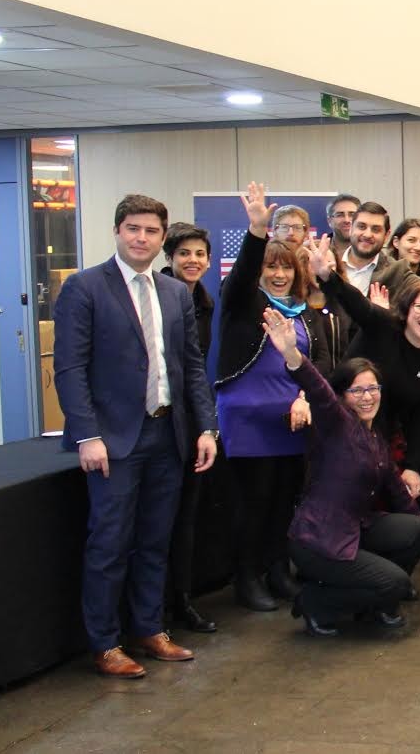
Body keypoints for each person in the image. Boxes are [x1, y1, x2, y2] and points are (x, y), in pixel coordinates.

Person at [55, 194, 219, 679]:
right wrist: (87, 434)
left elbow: (191, 367)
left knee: (155, 539)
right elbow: (69, 368)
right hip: (113, 440)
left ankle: (150, 629)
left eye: (150, 230)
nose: (141, 238)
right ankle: (105, 643)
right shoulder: (84, 288)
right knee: (110, 542)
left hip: (168, 434)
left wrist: (206, 426)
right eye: (133, 229)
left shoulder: (174, 293)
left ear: (161, 237)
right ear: (118, 231)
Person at [264, 310, 420, 637]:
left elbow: (397, 490)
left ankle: (375, 601)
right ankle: (315, 602)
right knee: (396, 583)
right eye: (358, 391)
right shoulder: (337, 423)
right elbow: (317, 388)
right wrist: (292, 354)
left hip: (355, 530)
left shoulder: (376, 438)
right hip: (319, 541)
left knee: (417, 530)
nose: (368, 397)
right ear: (344, 396)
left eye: (373, 389)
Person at [216, 183, 333, 613]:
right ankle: (247, 578)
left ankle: (278, 570)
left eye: (285, 268)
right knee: (255, 502)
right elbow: (244, 273)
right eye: (271, 267)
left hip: (292, 418)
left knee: (286, 498)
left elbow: (314, 360)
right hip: (249, 418)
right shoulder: (243, 304)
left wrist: (305, 395)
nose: (279, 274)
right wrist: (256, 231)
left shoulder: (303, 311)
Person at [307, 235, 420, 515]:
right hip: (339, 425)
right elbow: (356, 303)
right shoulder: (383, 325)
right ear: (406, 310)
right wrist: (327, 274)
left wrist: (412, 468)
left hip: (383, 436)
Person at [158, 223, 219, 634]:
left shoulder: (205, 301)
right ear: (170, 258)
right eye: (184, 253)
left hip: (194, 424)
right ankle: (154, 611)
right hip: (161, 426)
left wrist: (207, 426)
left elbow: (196, 371)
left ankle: (180, 602)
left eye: (199, 254)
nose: (192, 261)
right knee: (156, 524)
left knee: (186, 521)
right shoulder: (158, 297)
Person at [339, 201, 415, 298]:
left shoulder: (397, 271)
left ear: (386, 235)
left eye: (376, 229)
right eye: (362, 227)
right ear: (351, 229)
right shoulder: (330, 263)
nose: (367, 235)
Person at [327, 194, 361, 258]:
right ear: (329, 221)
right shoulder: (316, 252)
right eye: (339, 215)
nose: (347, 220)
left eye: (352, 215)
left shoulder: (372, 253)